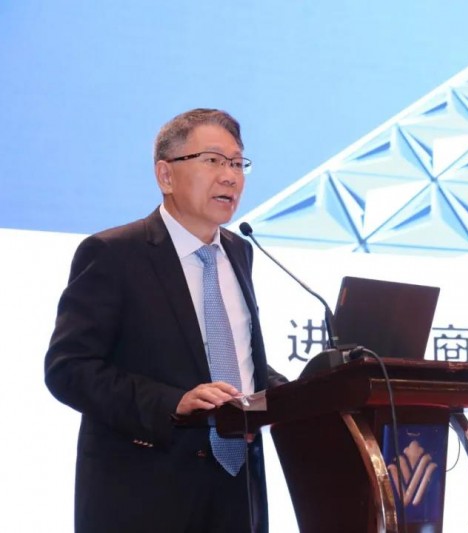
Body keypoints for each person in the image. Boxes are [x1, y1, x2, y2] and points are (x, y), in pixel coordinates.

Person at [44, 108, 287, 533]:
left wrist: (301, 394)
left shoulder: (239, 251)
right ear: (166, 175)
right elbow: (68, 369)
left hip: (237, 496)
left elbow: (236, 359)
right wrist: (171, 402)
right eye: (213, 160)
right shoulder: (114, 254)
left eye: (237, 163)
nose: (230, 177)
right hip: (145, 497)